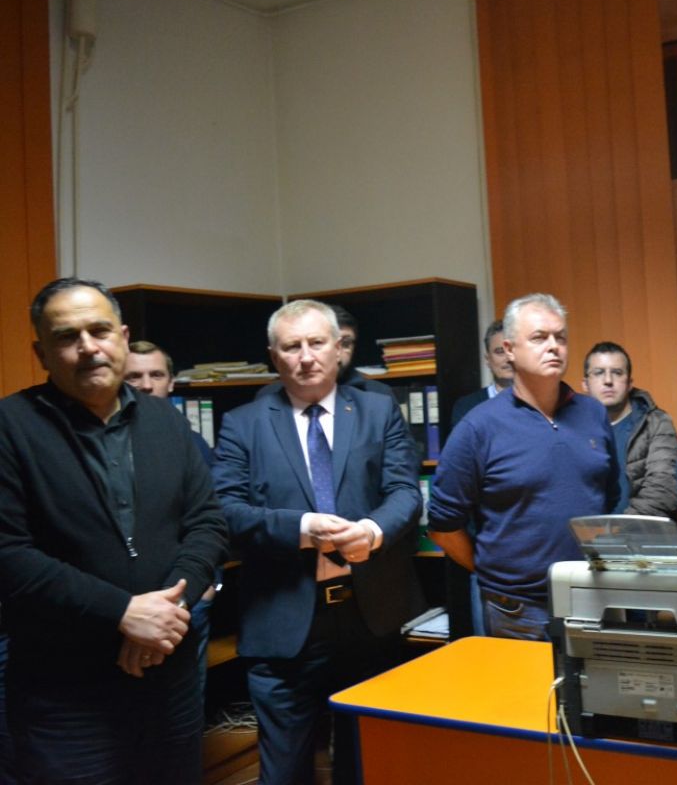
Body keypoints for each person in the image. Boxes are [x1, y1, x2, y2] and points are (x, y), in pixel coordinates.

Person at [0, 277, 227, 784]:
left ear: (122, 337)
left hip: (169, 675)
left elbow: (207, 522)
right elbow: (8, 553)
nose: (88, 347)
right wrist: (122, 612)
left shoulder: (167, 421)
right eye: (67, 336)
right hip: (65, 694)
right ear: (41, 352)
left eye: (99, 330)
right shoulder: (10, 427)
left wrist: (167, 611)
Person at [212, 299, 424, 785]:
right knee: (284, 771)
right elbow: (225, 511)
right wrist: (301, 529)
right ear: (274, 356)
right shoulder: (243, 422)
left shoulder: (377, 410)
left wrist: (372, 531)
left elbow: (404, 492)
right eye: (292, 346)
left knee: (367, 763)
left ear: (338, 348)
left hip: (369, 618)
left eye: (316, 343)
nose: (306, 357)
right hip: (284, 625)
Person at [427, 294, 619, 640]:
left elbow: (609, 498)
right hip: (515, 608)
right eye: (539, 337)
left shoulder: (593, 413)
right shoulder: (479, 426)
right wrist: (491, 573)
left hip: (588, 598)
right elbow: (442, 526)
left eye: (560, 337)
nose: (554, 346)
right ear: (509, 349)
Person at [124, 340, 219, 703]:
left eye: (156, 375)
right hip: (124, 607)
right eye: (134, 376)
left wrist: (207, 587)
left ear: (172, 382)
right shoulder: (104, 443)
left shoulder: (192, 443)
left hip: (186, 599)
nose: (146, 385)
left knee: (182, 709)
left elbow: (210, 517)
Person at [581, 341, 677, 517]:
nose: (608, 381)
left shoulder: (655, 422)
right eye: (598, 373)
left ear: (629, 383)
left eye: (617, 372)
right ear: (585, 385)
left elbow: (664, 488)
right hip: (585, 531)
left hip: (640, 530)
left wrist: (623, 528)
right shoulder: (570, 427)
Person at [256, 303, 394, 401]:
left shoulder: (379, 396)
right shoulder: (268, 396)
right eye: (317, 343)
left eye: (345, 343)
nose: (337, 353)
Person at [448, 318, 513, 434]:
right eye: (499, 351)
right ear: (488, 360)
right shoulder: (467, 407)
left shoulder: (539, 402)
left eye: (511, 350)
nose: (507, 358)